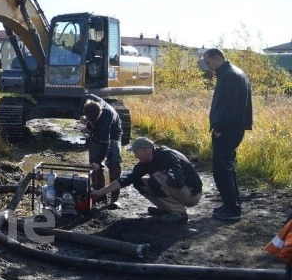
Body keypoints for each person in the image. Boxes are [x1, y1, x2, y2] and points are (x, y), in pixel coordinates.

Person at [89, 137, 202, 223]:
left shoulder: (168, 156)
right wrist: (99, 193)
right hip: (181, 191)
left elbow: (178, 181)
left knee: (156, 179)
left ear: (146, 151)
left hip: (192, 194)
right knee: (138, 181)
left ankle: (179, 214)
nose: (135, 155)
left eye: (136, 152)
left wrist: (163, 176)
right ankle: (167, 209)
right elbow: (125, 180)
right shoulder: (146, 162)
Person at [204, 48, 253, 221]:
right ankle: (231, 205)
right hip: (233, 129)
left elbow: (230, 107)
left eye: (208, 62)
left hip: (228, 130)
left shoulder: (230, 75)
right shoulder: (234, 73)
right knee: (227, 168)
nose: (207, 66)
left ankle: (232, 210)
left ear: (217, 58)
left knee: (221, 170)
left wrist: (219, 128)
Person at [80, 95, 122, 208]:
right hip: (95, 133)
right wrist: (82, 117)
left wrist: (98, 161)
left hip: (113, 133)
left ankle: (114, 198)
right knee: (94, 165)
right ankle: (99, 194)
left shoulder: (106, 118)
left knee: (113, 163)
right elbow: (81, 102)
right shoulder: (88, 100)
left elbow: (105, 143)